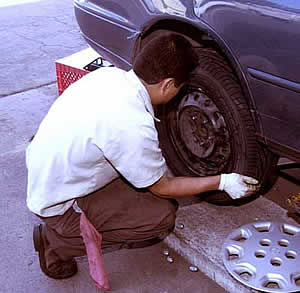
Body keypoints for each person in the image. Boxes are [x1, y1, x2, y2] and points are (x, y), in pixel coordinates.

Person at [26, 33, 259, 281]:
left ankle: (76, 220)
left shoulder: (109, 76)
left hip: (52, 169)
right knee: (159, 217)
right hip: (59, 202)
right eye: (179, 88)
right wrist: (224, 181)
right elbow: (162, 187)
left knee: (151, 194)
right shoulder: (132, 124)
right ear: (168, 84)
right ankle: (56, 243)